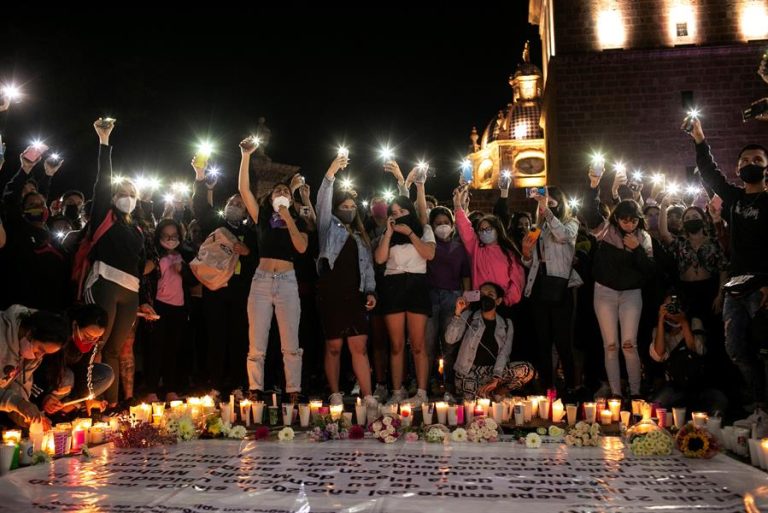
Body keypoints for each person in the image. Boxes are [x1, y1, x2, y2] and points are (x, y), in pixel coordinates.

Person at [686, 116, 768, 410]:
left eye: (757, 159)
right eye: (744, 159)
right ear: (737, 168)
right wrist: (699, 139)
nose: (750, 163)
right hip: (736, 286)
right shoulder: (734, 198)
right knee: (735, 348)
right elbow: (710, 173)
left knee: (765, 348)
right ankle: (759, 401)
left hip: (763, 286)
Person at [82, 119, 156, 408]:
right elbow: (101, 183)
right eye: (122, 194)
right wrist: (104, 142)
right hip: (106, 284)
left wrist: (145, 300)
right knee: (97, 344)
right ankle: (90, 403)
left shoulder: (136, 228)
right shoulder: (105, 215)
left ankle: (111, 406)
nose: (128, 198)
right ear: (114, 198)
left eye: (132, 195)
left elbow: (138, 264)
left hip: (130, 290)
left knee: (116, 349)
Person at [238, 137, 308, 404]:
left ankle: (293, 391)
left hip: (288, 282)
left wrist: (288, 216)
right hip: (262, 281)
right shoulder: (262, 219)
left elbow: (301, 248)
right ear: (270, 196)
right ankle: (255, 390)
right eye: (278, 191)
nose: (282, 194)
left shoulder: (297, 221)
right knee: (256, 342)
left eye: (286, 192)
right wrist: (246, 156)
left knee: (290, 343)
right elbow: (244, 189)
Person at [192, 154, 257, 393]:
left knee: (239, 336)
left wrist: (248, 252)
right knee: (216, 336)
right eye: (232, 202)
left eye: (240, 204)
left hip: (241, 291)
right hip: (216, 289)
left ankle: (238, 382)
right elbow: (199, 207)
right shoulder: (215, 225)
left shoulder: (251, 232)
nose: (235, 206)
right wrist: (199, 178)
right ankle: (216, 383)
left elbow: (260, 258)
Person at [316, 155, 377, 407]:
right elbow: (323, 201)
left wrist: (371, 291)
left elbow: (368, 267)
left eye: (353, 207)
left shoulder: (361, 236)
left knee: (359, 346)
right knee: (333, 347)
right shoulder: (328, 227)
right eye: (345, 206)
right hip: (332, 294)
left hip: (355, 295)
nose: (349, 210)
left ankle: (368, 396)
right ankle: (335, 393)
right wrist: (331, 172)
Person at [374, 161, 436, 406]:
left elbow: (428, 255)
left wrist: (409, 233)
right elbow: (379, 258)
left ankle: (421, 392)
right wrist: (389, 233)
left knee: (418, 344)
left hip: (417, 285)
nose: (398, 216)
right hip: (393, 286)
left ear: (410, 212)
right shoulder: (385, 236)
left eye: (402, 212)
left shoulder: (424, 230)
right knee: (397, 344)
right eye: (394, 213)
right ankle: (397, 391)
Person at [590, 197, 655, 398]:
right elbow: (591, 213)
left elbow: (650, 270)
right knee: (610, 345)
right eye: (625, 220)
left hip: (631, 293)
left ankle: (635, 393)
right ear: (617, 218)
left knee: (629, 345)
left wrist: (637, 249)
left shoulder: (643, 237)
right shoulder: (606, 231)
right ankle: (616, 393)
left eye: (634, 220)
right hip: (605, 291)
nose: (629, 224)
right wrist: (594, 186)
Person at [521, 186, 582, 395]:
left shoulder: (570, 223)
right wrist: (526, 254)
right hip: (538, 284)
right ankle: (548, 386)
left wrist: (546, 211)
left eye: (551, 202)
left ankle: (573, 386)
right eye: (543, 202)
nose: (546, 205)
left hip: (560, 286)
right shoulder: (538, 227)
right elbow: (531, 262)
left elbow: (563, 237)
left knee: (563, 341)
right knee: (543, 341)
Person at [445, 282, 535, 400]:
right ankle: (491, 396)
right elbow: (450, 339)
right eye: (482, 295)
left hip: (491, 372)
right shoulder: (469, 316)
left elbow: (504, 353)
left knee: (527, 370)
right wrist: (457, 313)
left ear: (498, 301)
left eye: (490, 295)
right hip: (468, 373)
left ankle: (497, 392)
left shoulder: (506, 324)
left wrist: (496, 379)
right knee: (478, 402)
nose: (485, 298)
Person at [649, 296, 727, 415]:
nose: (671, 309)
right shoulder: (659, 330)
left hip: (698, 384)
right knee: (656, 407)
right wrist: (661, 320)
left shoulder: (693, 322)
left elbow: (697, 350)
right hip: (674, 385)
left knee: (719, 403)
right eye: (667, 306)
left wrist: (684, 322)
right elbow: (659, 355)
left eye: (675, 305)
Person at [34, 304, 113, 418]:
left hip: (70, 381)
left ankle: (69, 406)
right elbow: (39, 368)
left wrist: (85, 396)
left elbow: (85, 369)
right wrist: (43, 397)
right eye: (87, 336)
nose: (90, 341)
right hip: (49, 379)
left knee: (106, 374)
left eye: (96, 338)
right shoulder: (58, 332)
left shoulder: (93, 342)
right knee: (67, 377)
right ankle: (48, 409)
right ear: (75, 325)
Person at [426, 206, 470, 396]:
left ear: (452, 225)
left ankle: (449, 386)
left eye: (446, 223)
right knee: (429, 344)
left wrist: (466, 296)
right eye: (438, 224)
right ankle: (429, 384)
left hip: (453, 297)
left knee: (450, 345)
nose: (442, 226)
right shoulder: (428, 245)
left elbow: (466, 275)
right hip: (430, 296)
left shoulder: (460, 247)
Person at [0, 306, 70, 426]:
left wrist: (29, 418)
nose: (38, 357)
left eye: (45, 353)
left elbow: (19, 388)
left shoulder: (30, 355)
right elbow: (16, 401)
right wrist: (17, 403)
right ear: (30, 332)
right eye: (40, 349)